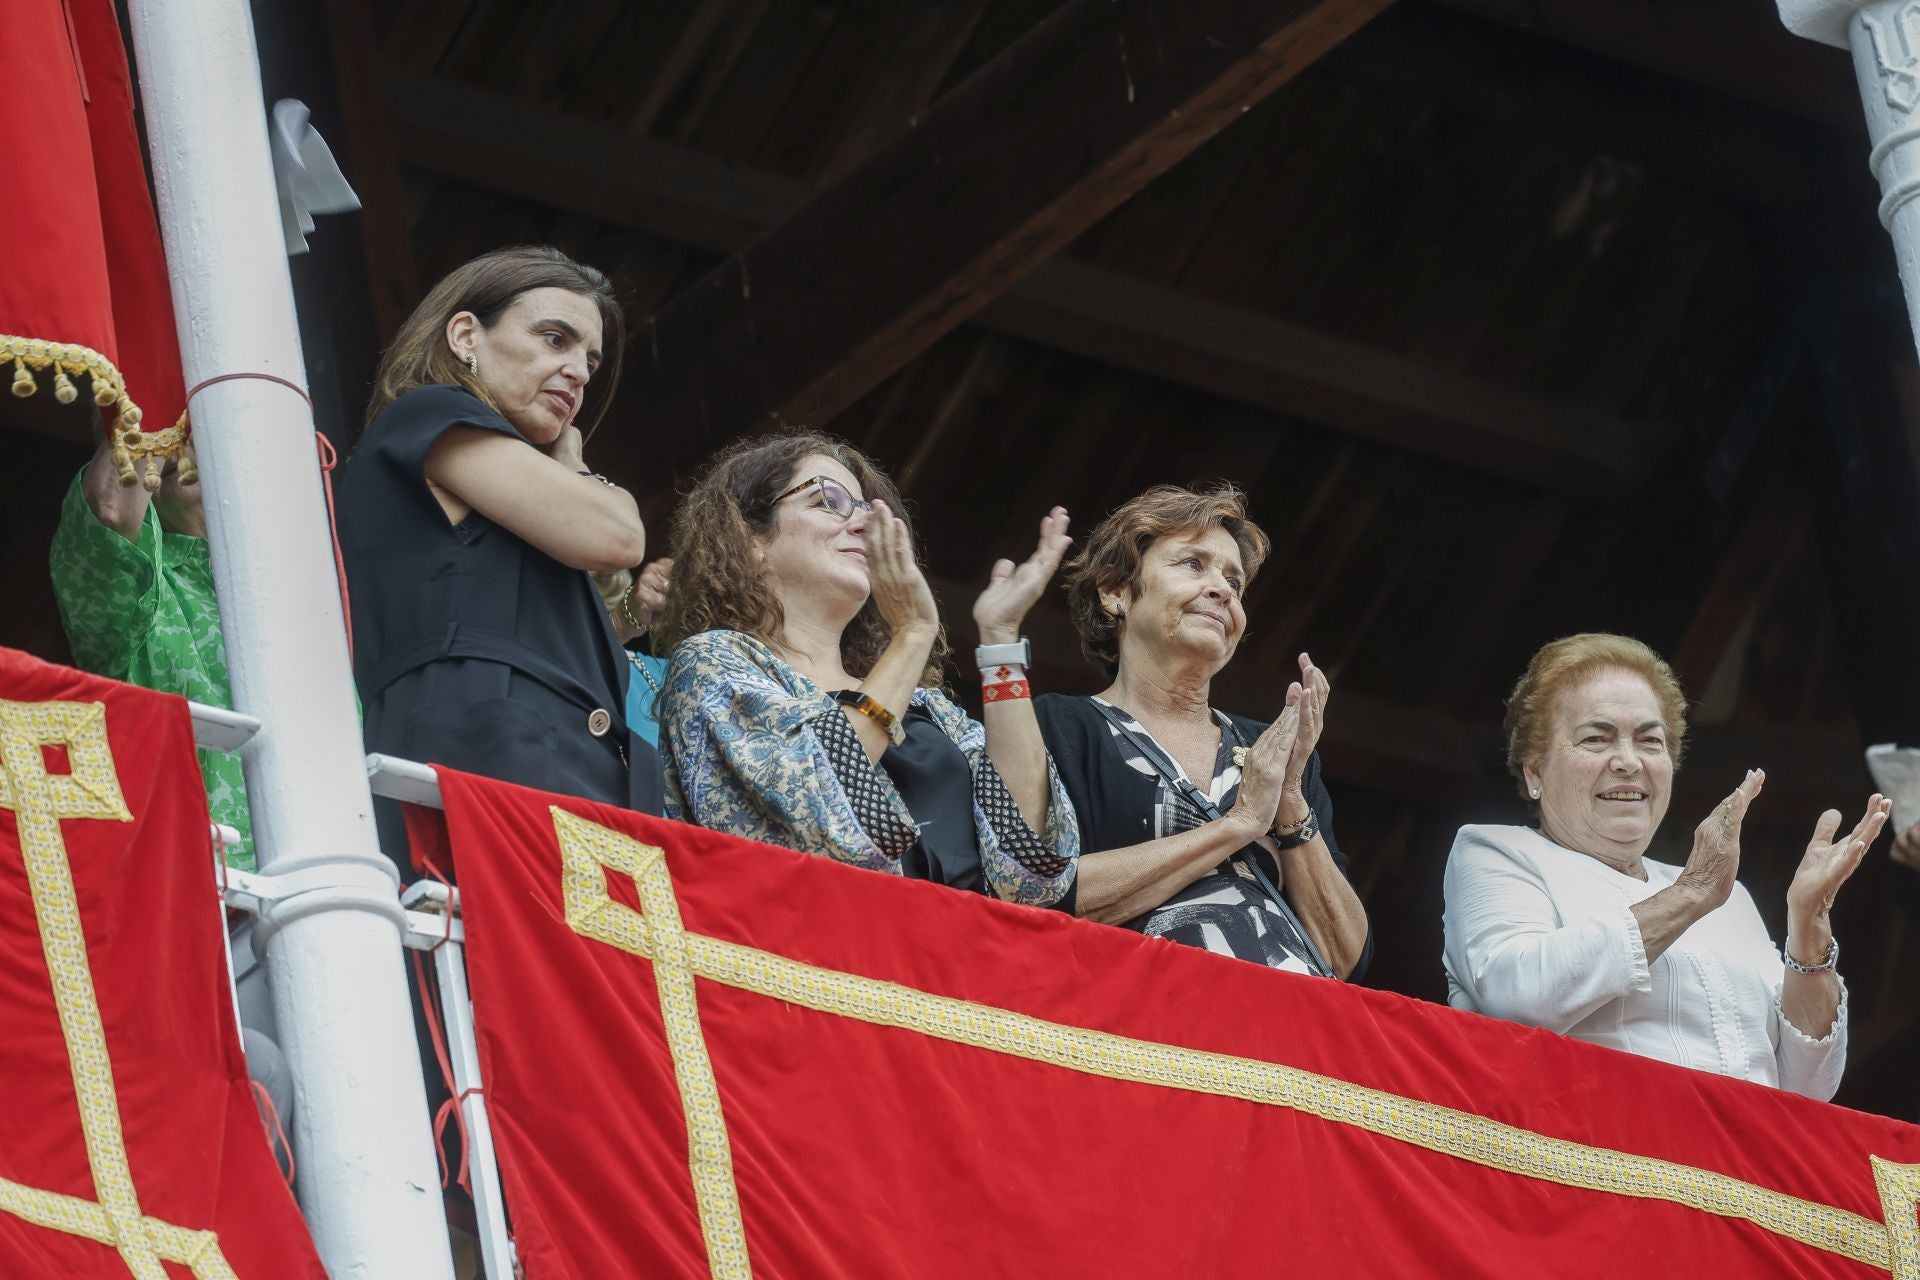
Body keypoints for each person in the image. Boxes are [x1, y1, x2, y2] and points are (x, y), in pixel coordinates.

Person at [1443, 633, 1889, 1098]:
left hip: (1746, 1144)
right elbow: (1516, 1001)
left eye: (1649, 741)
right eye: (1596, 738)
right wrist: (1690, 894)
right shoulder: (1496, 851)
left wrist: (1809, 926)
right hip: (1592, 1141)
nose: (1628, 761)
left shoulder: (1731, 898)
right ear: (1535, 770)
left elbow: (1809, 1086)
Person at [336, 244, 663, 874]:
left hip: (541, 762)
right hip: (492, 754)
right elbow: (619, 534)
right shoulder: (428, 414)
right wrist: (574, 464)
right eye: (554, 338)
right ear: (466, 336)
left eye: (590, 360)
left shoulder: (504, 495)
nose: (578, 372)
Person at [653, 433, 1078, 906]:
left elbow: (1030, 868)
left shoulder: (928, 707)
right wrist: (912, 634)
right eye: (829, 501)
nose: (862, 524)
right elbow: (809, 811)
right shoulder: (713, 663)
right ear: (750, 538)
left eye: (869, 512)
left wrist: (1000, 641)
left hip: (959, 950)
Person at [1033, 484, 1371, 979]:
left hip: (1294, 1018)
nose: (1223, 590)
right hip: (1139, 1014)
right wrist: (1240, 823)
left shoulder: (1277, 752)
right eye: (1193, 565)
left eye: (1234, 582)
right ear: (1115, 592)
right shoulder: (1060, 725)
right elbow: (1039, 894)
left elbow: (1345, 958)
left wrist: (1288, 797)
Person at [49, 437, 255, 869]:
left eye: (192, 427)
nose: (179, 443)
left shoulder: (298, 589)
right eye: (172, 434)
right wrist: (154, 413)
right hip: (192, 883)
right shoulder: (139, 584)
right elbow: (112, 508)